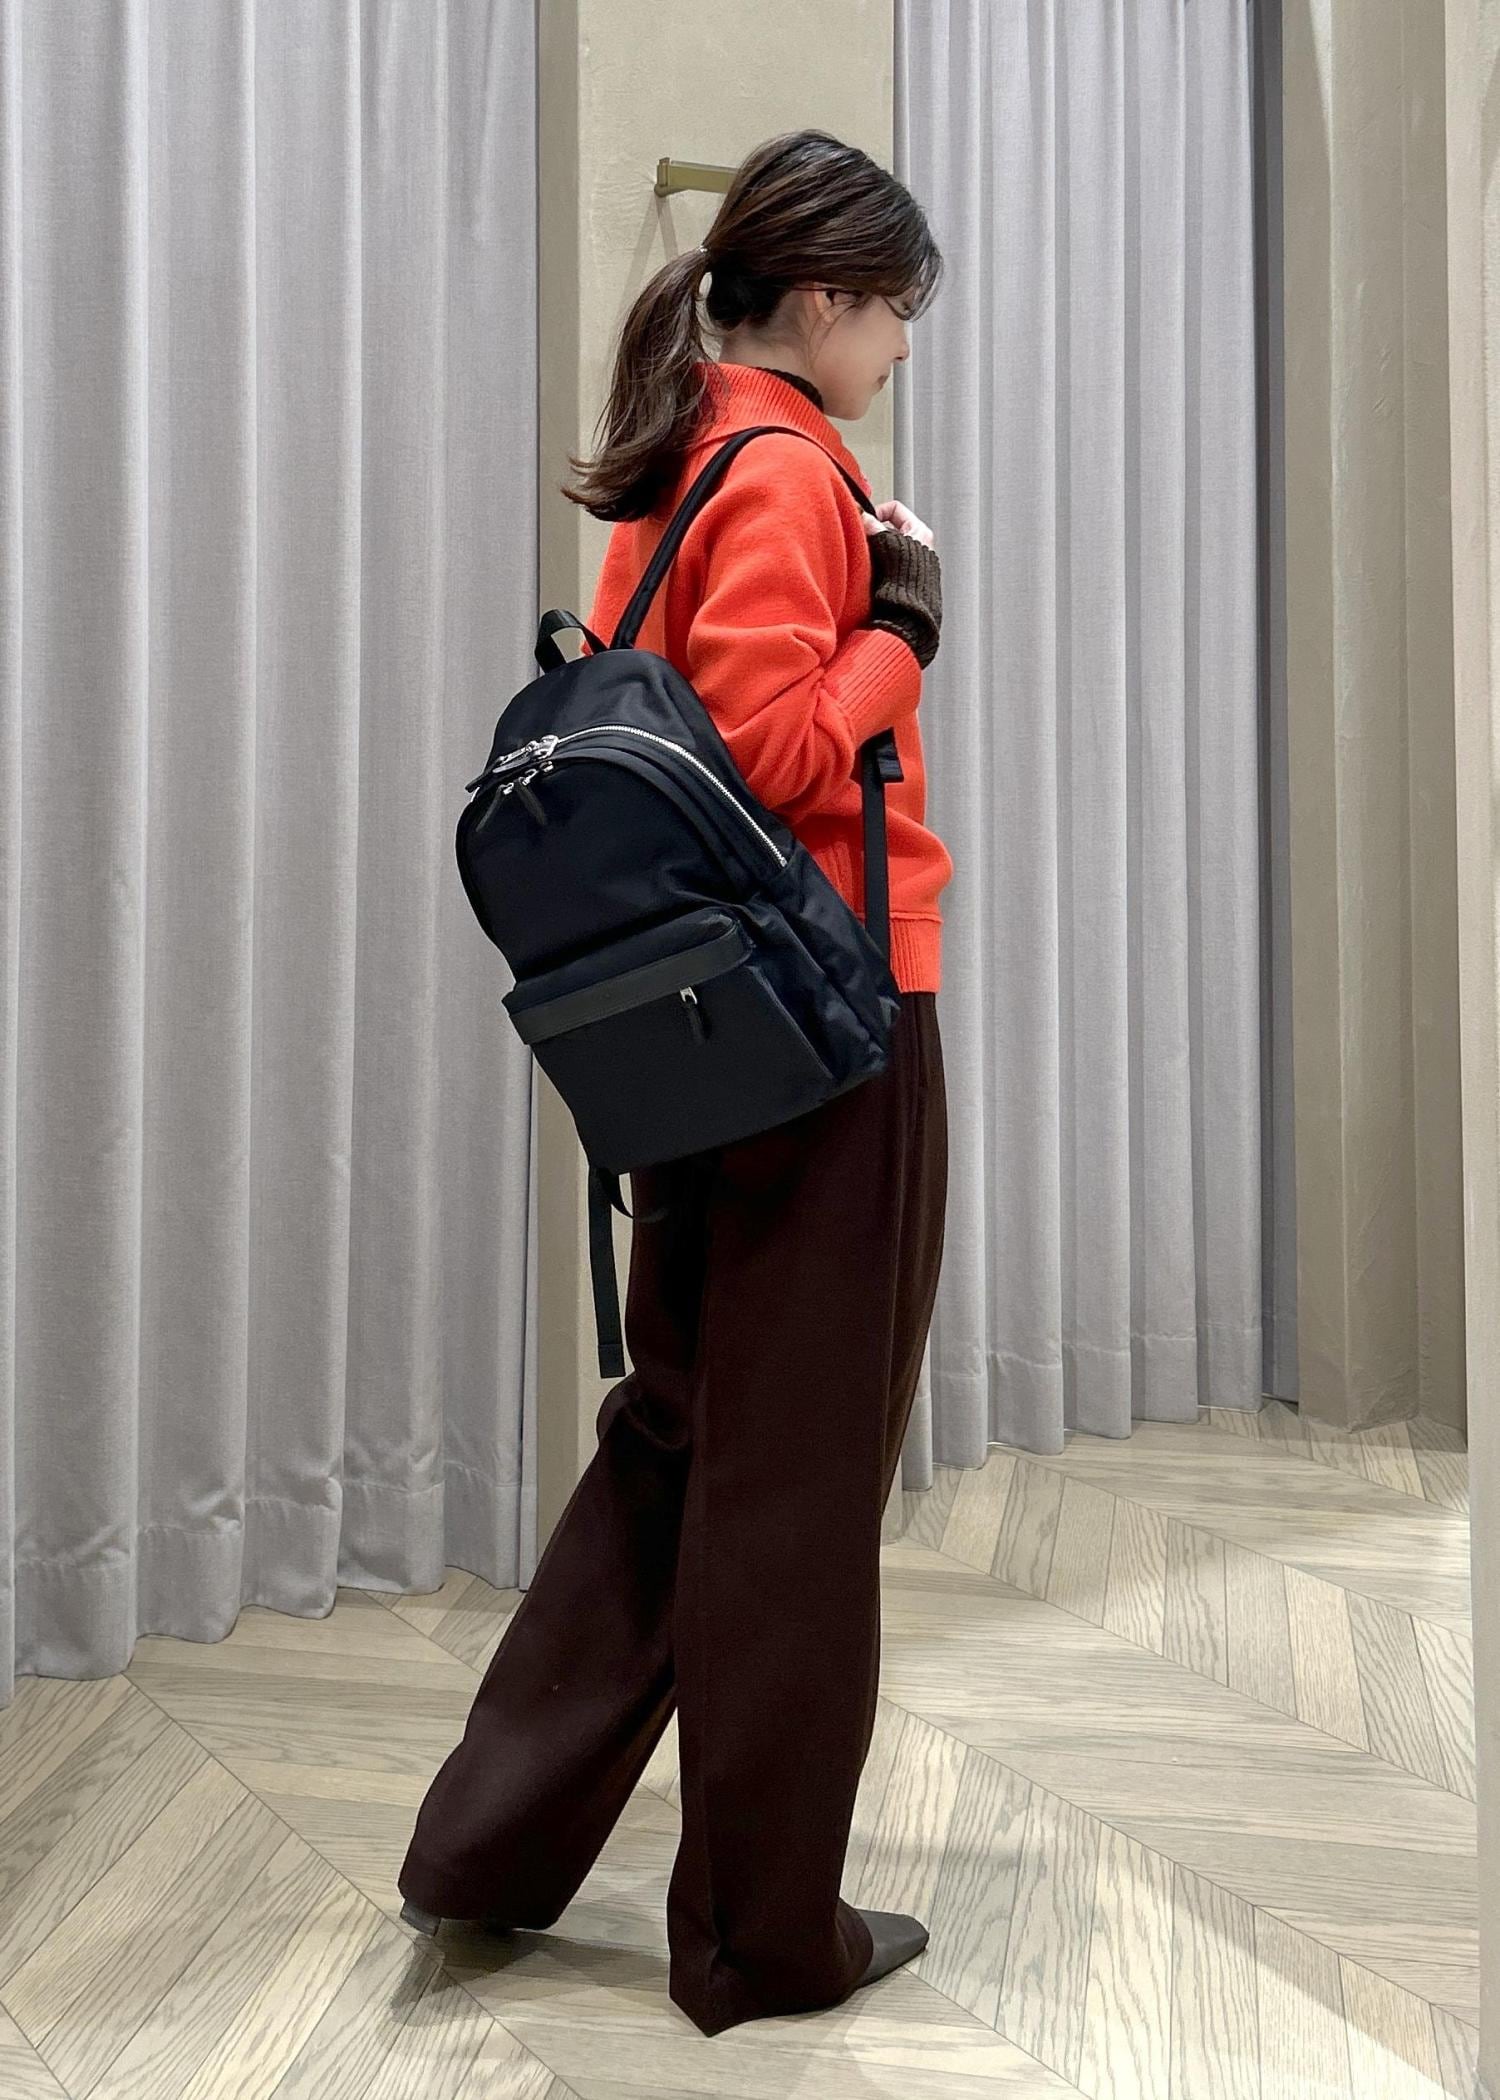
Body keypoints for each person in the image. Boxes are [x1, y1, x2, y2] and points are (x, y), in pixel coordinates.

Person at [397, 126, 953, 2040]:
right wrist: (903, 631)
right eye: (894, 312)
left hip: (697, 1034)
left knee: (681, 1435)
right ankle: (760, 1939)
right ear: (827, 299)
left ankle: (486, 1847)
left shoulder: (680, 459)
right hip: (829, 1010)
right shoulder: (790, 469)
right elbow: (779, 749)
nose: (899, 346)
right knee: (796, 1471)